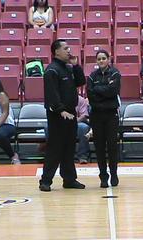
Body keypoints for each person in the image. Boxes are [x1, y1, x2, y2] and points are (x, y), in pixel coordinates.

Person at [39, 40, 86, 192]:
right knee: (55, 148)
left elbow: (81, 81)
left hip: (70, 114)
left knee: (69, 147)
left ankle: (69, 179)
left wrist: (76, 65)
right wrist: (61, 110)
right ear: (56, 51)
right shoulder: (51, 70)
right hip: (58, 115)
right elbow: (51, 94)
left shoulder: (68, 68)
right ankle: (45, 181)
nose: (69, 50)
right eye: (65, 48)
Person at [87, 50, 121, 188]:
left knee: (112, 146)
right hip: (96, 115)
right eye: (99, 59)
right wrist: (104, 91)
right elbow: (90, 94)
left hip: (111, 114)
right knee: (99, 147)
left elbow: (113, 91)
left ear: (108, 59)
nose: (101, 61)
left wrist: (98, 89)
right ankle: (103, 176)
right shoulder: (91, 76)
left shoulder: (115, 74)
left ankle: (114, 174)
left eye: (103, 58)